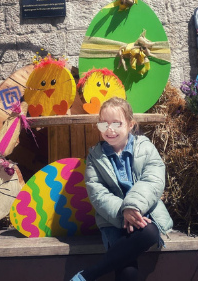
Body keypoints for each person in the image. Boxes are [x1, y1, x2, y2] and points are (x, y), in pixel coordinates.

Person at [70, 97, 173, 281]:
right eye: (104, 124)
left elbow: (153, 180)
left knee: (149, 233)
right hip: (114, 219)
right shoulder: (95, 157)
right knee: (127, 270)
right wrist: (123, 212)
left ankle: (87, 275)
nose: (110, 130)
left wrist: (133, 206)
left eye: (117, 124)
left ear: (130, 124)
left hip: (144, 212)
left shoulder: (146, 148)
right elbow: (97, 193)